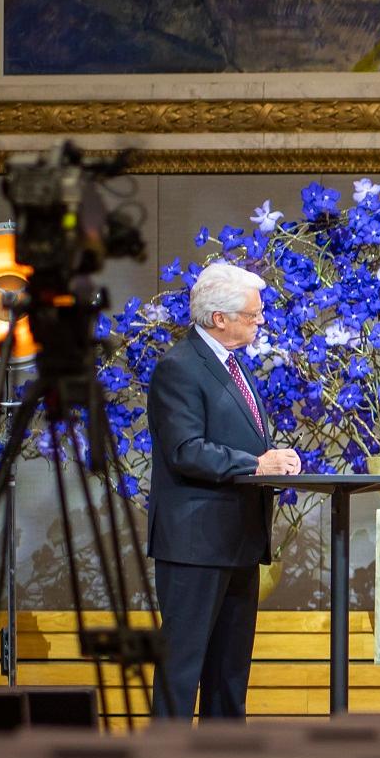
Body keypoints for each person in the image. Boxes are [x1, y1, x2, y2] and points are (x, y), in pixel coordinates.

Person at [146, 261, 300, 721]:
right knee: (182, 671)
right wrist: (256, 463)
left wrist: (274, 456)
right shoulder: (179, 367)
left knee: (229, 675)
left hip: (238, 540)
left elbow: (235, 438)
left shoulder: (232, 366)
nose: (261, 321)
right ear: (220, 318)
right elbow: (185, 449)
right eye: (253, 315)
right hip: (195, 544)